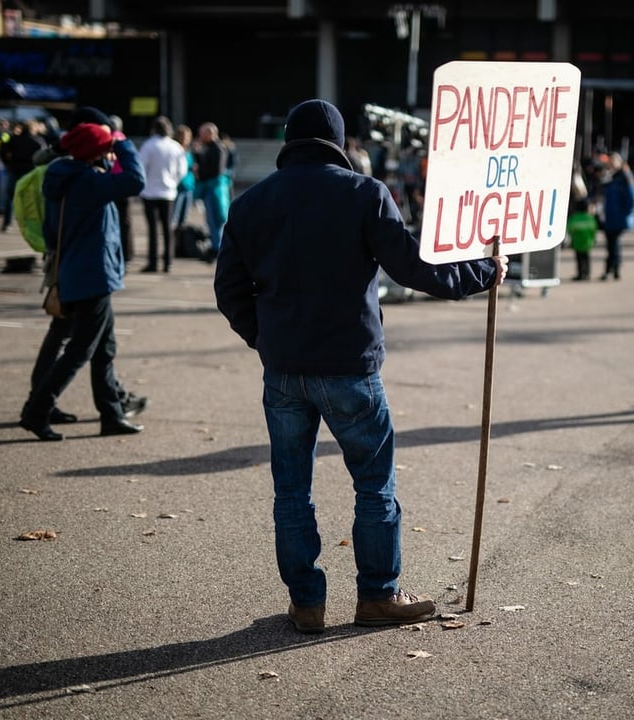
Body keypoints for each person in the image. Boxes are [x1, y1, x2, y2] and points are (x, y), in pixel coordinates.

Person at [214, 99, 508, 634]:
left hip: (283, 370)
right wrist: (483, 272)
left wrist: (264, 338)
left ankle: (306, 604)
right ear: (340, 142)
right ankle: (377, 596)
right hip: (350, 365)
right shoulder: (364, 194)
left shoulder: (251, 202)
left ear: (288, 139)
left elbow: (228, 289)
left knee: (291, 490)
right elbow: (414, 269)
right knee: (374, 485)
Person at [20, 106, 148, 427]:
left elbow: (52, 233)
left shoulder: (62, 178)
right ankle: (37, 411)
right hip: (92, 276)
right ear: (97, 152)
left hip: (77, 272)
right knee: (80, 351)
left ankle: (111, 414)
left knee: (104, 347)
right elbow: (135, 180)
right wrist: (121, 142)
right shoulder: (88, 182)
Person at [138, 115, 188, 273]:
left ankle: (153, 262)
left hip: (150, 192)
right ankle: (168, 262)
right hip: (168, 192)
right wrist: (173, 182)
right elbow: (182, 170)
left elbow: (141, 167)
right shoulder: (176, 147)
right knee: (167, 228)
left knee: (152, 229)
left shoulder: (148, 145)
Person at [599, 152, 634, 280]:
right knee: (611, 245)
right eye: (610, 162)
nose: (611, 164)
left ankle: (613, 270)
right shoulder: (609, 177)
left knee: (614, 244)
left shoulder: (625, 178)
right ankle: (612, 270)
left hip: (618, 217)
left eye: (613, 161)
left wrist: (626, 214)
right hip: (609, 217)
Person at [193, 122, 230, 256]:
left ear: (210, 133)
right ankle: (216, 245)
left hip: (215, 190)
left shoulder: (218, 148)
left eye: (202, 134)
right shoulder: (209, 147)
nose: (200, 136)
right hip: (212, 189)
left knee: (216, 219)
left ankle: (217, 246)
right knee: (212, 220)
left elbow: (216, 170)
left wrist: (200, 173)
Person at [108, 114, 135, 264]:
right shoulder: (124, 138)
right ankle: (128, 253)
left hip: (113, 183)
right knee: (126, 222)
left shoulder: (110, 139)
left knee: (114, 221)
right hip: (125, 183)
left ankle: (118, 254)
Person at [170, 124, 196, 230]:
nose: (186, 139)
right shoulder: (174, 149)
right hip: (178, 187)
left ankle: (180, 243)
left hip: (188, 186)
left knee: (183, 219)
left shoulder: (189, 151)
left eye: (188, 137)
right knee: (174, 218)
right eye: (184, 137)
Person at [567, 196, 597, 281]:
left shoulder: (574, 218)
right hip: (587, 242)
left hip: (577, 242)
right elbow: (594, 230)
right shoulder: (590, 218)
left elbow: (570, 229)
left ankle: (580, 274)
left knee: (579, 259)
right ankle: (587, 274)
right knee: (586, 258)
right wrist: (594, 239)